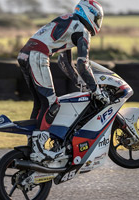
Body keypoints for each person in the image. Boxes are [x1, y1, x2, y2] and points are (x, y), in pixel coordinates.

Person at [18, 0, 108, 163]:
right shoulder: (82, 30)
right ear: (89, 14)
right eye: (97, 18)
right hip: (37, 55)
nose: (97, 23)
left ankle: (32, 145)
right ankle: (38, 149)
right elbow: (83, 63)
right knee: (52, 104)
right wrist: (95, 89)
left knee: (40, 104)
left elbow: (64, 63)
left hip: (25, 54)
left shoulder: (69, 21)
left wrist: (78, 82)